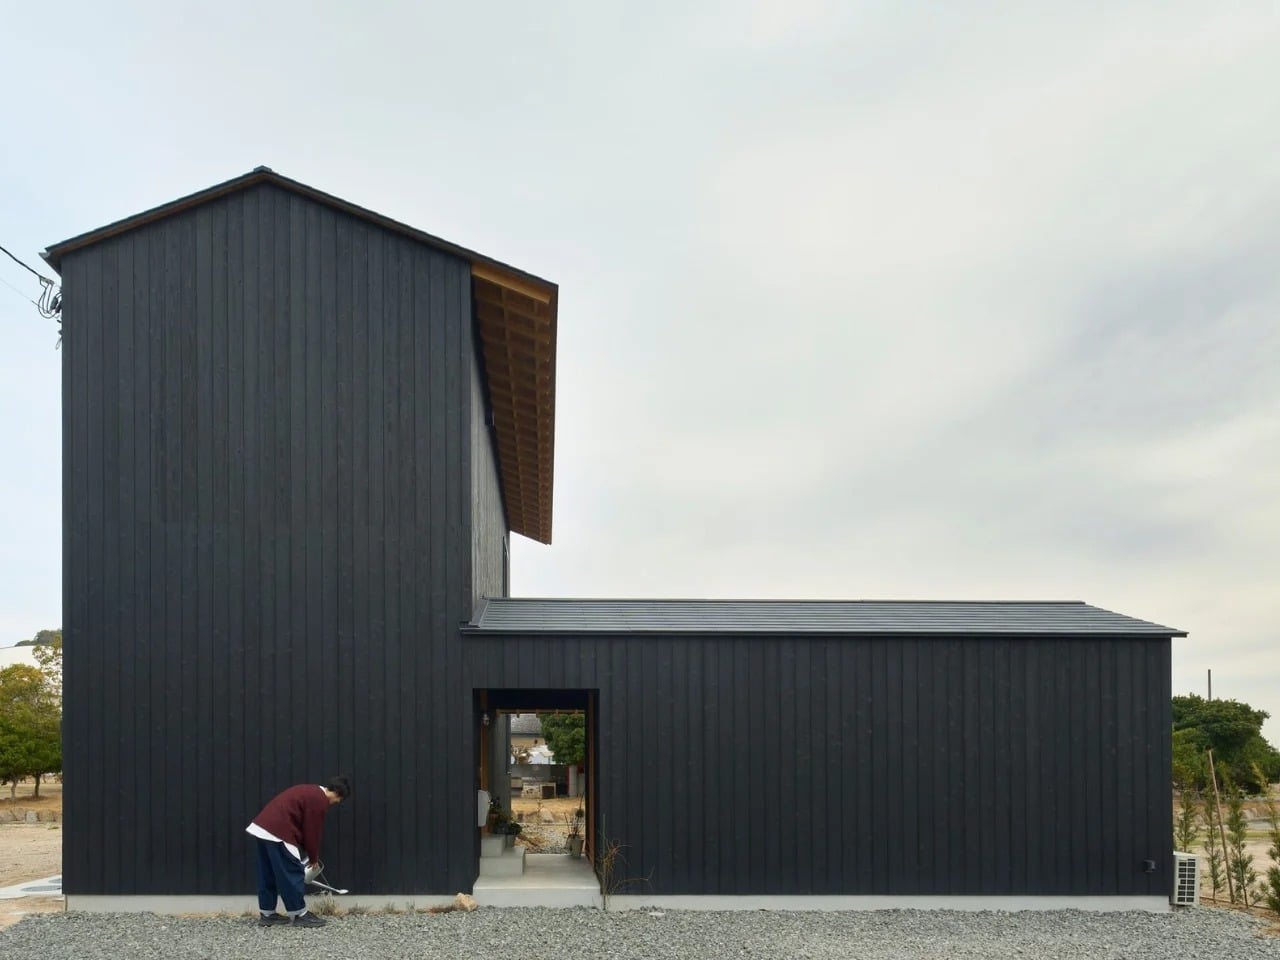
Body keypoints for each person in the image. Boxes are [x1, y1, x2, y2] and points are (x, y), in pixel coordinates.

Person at [246, 776, 350, 927]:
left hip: (262, 827)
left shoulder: (309, 790)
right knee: (292, 872)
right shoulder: (319, 800)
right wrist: (313, 858)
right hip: (279, 831)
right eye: (338, 800)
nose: (336, 803)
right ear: (336, 793)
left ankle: (267, 914)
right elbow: (312, 831)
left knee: (267, 873)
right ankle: (299, 914)